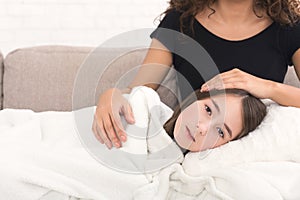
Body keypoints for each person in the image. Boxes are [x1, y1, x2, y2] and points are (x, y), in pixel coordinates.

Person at [92, 0, 300, 149]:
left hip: (255, 152)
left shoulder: (289, 26)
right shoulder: (180, 21)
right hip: (192, 148)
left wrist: (267, 87)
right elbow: (139, 91)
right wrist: (110, 95)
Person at [162, 88, 267, 152]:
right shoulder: (147, 103)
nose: (202, 128)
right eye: (208, 110)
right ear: (199, 97)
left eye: (220, 132)